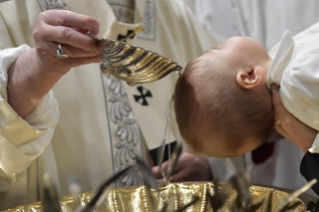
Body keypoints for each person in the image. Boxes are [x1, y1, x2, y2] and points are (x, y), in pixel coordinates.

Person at [0, 0, 216, 209]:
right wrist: (28, 74)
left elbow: (235, 121)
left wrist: (208, 163)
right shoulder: (8, 11)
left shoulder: (173, 13)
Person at [174, 22, 319, 158]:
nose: (219, 44)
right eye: (218, 50)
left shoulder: (287, 75)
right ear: (249, 76)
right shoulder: (298, 81)